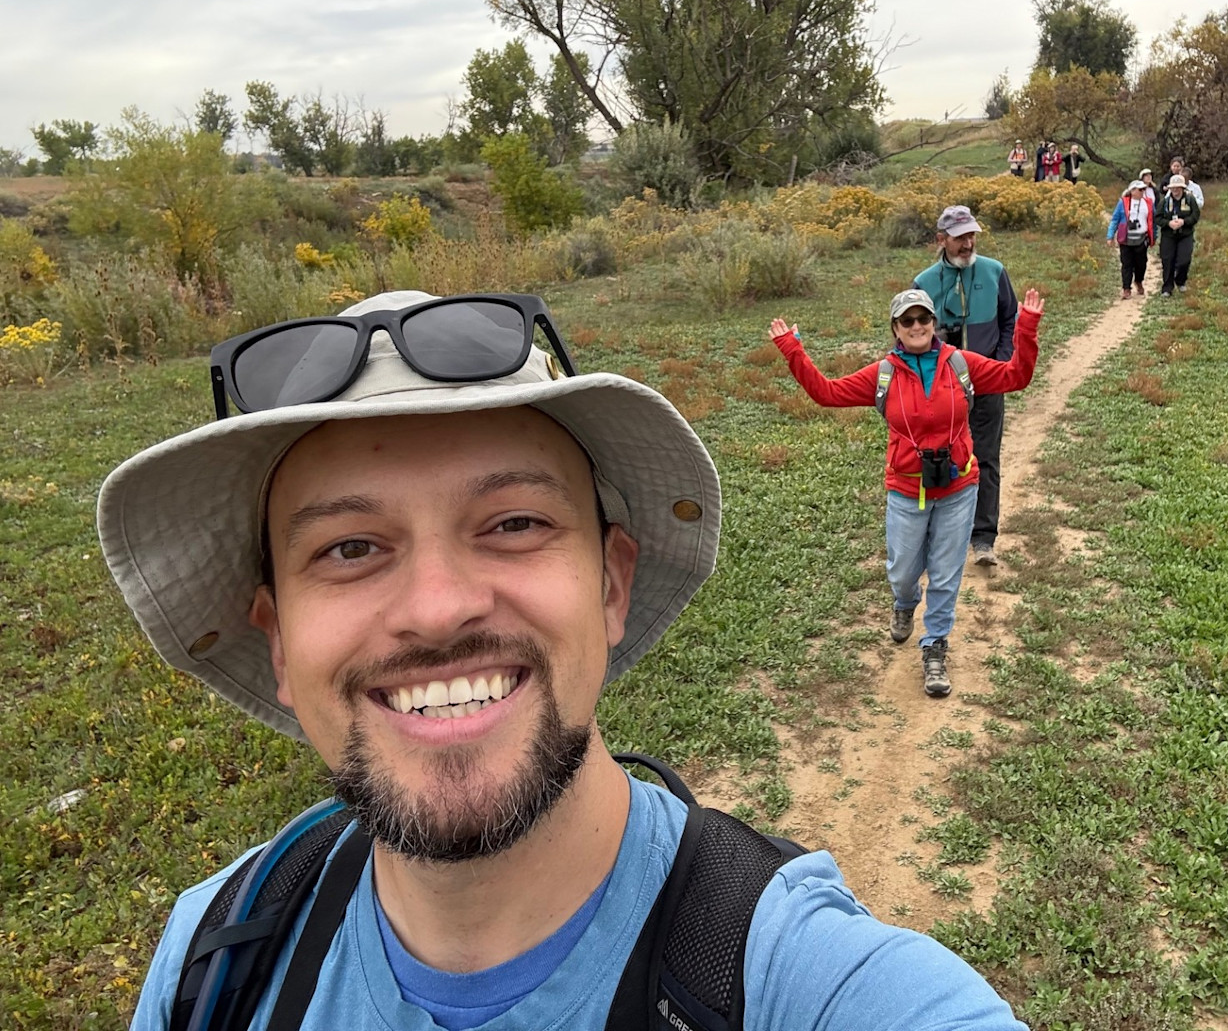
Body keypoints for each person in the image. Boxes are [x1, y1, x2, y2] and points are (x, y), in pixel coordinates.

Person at [101, 290, 1028, 1029]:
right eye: (349, 548)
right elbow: (828, 389)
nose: (437, 609)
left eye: (514, 523)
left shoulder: (805, 979)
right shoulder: (213, 958)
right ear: (277, 638)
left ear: (612, 585)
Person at [769, 287, 1042, 697]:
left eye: (923, 318)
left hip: (958, 487)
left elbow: (1016, 376)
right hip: (906, 490)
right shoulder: (884, 374)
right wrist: (793, 350)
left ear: (934, 323)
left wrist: (1027, 327)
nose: (917, 326)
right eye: (907, 320)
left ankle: (934, 648)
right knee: (902, 572)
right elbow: (826, 393)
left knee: (945, 574)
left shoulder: (961, 364)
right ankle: (905, 602)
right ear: (896, 328)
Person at [913, 206, 1019, 569]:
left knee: (985, 458)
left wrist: (1000, 363)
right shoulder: (923, 283)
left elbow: (1010, 318)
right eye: (960, 238)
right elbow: (910, 334)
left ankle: (983, 539)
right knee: (939, 457)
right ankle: (942, 535)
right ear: (941, 239)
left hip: (986, 383)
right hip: (942, 390)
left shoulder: (994, 271)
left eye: (971, 235)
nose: (968, 243)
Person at [1106, 178, 1155, 299]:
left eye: (1143, 189)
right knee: (1126, 264)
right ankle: (1126, 288)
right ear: (1132, 191)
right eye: (1140, 189)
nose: (1142, 191)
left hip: (1141, 238)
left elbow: (1153, 220)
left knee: (1141, 264)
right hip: (1126, 239)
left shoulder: (1148, 203)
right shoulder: (1123, 203)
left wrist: (1154, 236)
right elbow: (1115, 220)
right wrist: (1110, 236)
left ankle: (1138, 281)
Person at [1157, 173, 1202, 296]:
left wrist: (1184, 222)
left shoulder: (1190, 200)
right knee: (1167, 261)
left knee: (1184, 260)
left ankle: (1181, 281)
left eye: (1178, 187)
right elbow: (1158, 218)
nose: (1175, 190)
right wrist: (1168, 223)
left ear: (1182, 188)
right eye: (1173, 187)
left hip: (1185, 235)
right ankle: (1167, 288)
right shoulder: (1165, 202)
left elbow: (1195, 216)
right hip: (1168, 235)